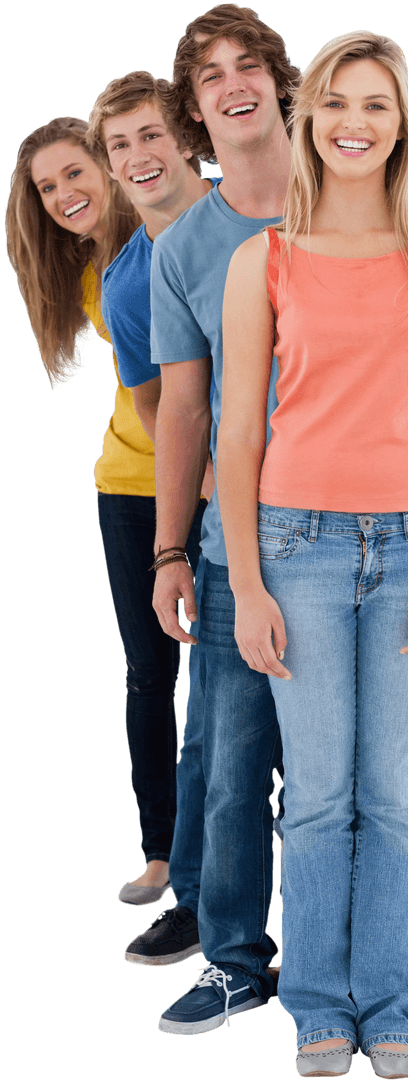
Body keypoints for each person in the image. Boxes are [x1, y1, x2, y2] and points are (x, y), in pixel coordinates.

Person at [219, 31, 408, 1078]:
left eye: (376, 105)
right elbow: (238, 435)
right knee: (323, 793)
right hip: (297, 548)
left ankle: (390, 1005)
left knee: (396, 795)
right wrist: (246, 582)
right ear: (307, 119)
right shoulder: (265, 260)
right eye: (336, 102)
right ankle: (318, 1007)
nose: (353, 123)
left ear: (401, 124)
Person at [128, 4, 299, 1031]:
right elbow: (186, 407)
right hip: (241, 541)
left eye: (249, 67)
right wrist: (168, 551)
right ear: (194, 111)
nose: (232, 85)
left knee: (360, 774)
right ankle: (236, 960)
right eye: (209, 77)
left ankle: (365, 960)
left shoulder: (354, 201)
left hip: (372, 529)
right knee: (234, 771)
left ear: (279, 85)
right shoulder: (186, 246)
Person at [3, 116, 202, 890]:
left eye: (73, 174)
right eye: (47, 189)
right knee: (148, 674)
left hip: (214, 479)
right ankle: (161, 851)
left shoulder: (178, 235)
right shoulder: (91, 270)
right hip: (127, 484)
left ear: (113, 164)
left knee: (233, 675)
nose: (62, 196)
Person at [82, 69, 214, 908]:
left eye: (150, 134)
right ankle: (174, 863)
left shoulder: (253, 220)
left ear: (188, 135)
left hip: (312, 495)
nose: (136, 156)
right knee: (163, 678)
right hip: (186, 494)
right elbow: (167, 413)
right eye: (118, 144)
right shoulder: (127, 282)